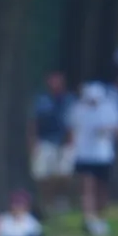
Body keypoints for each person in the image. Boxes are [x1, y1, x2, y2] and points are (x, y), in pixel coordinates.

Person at [68, 81, 118, 236]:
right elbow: (72, 128)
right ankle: (89, 218)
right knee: (87, 187)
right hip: (84, 154)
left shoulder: (109, 108)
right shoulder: (78, 109)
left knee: (102, 188)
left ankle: (101, 217)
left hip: (103, 155)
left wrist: (107, 131)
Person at [28, 70, 75, 213]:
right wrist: (32, 142)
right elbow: (33, 122)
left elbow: (74, 122)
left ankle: (61, 199)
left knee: (64, 173)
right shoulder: (41, 100)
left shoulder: (69, 100)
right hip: (45, 140)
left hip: (65, 141)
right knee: (43, 174)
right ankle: (46, 202)